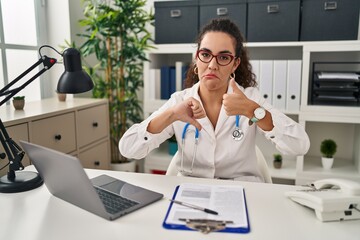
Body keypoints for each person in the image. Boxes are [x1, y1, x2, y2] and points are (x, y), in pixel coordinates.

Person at [119, 18, 310, 182]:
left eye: (224, 57)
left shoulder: (250, 99)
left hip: (242, 192)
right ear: (197, 58)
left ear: (235, 63)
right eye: (205, 54)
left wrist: (253, 112)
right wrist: (171, 115)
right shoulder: (180, 100)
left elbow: (300, 145)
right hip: (191, 193)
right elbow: (128, 149)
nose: (212, 65)